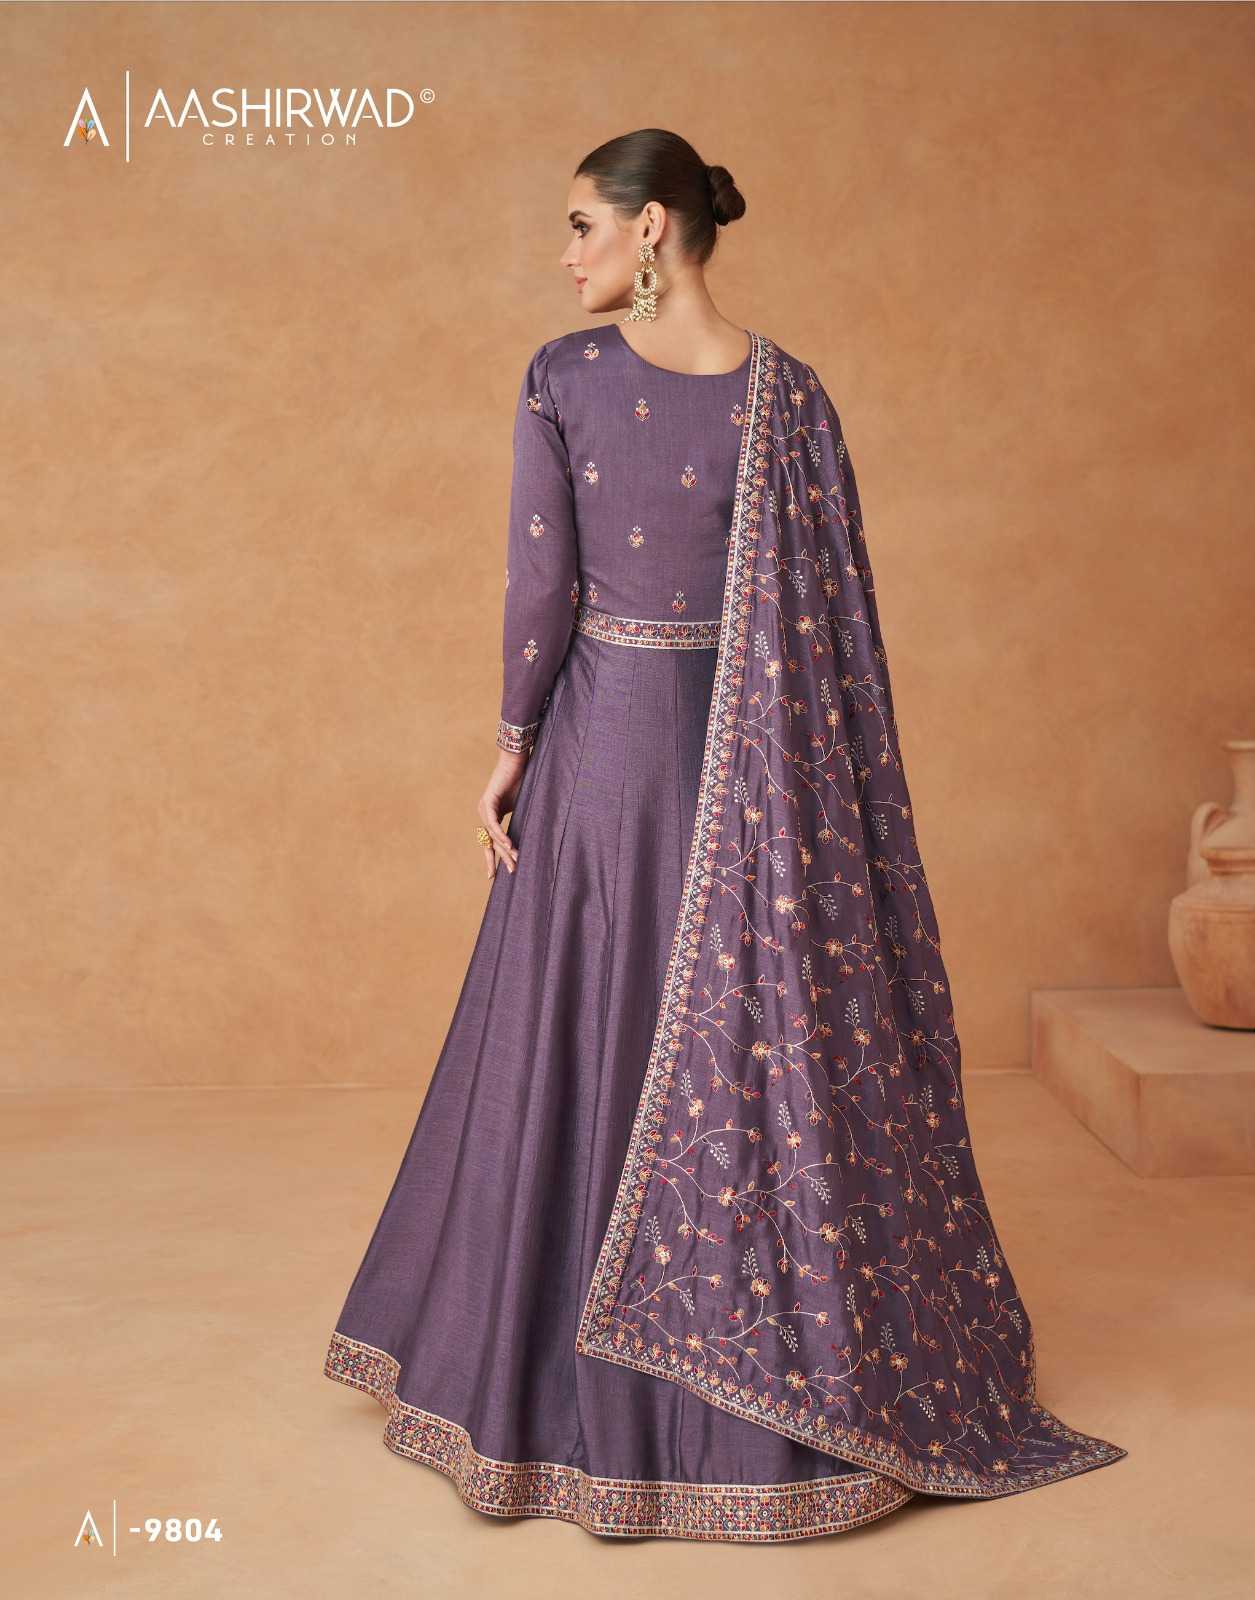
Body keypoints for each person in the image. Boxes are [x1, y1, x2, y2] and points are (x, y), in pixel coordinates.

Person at [323, 128, 1127, 1543]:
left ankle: (541, 1391)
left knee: (589, 1042)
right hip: (761, 775)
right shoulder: (790, 397)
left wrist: (510, 746)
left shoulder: (564, 379)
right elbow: (842, 635)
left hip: (605, 760)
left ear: (652, 229)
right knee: (753, 1056)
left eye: (582, 225)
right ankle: (759, 1392)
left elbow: (541, 596)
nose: (565, 255)